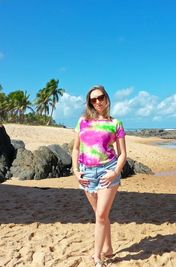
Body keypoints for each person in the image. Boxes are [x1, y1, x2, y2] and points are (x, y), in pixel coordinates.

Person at [72, 85, 127, 267]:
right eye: (93, 100)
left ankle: (97, 257)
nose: (97, 102)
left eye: (100, 97)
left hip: (108, 171)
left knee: (101, 215)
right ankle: (108, 248)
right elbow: (75, 149)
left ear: (107, 98)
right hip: (86, 172)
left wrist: (115, 172)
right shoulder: (82, 122)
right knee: (100, 214)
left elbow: (123, 154)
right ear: (89, 103)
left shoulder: (115, 124)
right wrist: (76, 171)